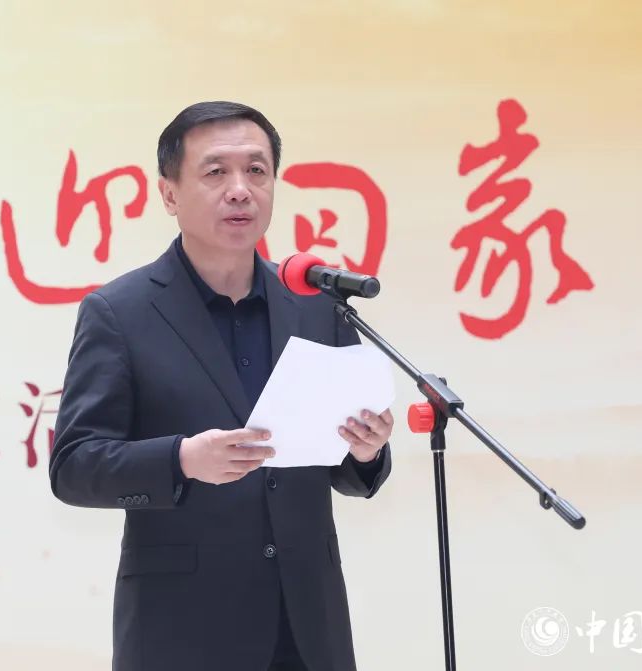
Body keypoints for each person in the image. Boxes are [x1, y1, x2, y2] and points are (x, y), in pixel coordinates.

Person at [50, 101, 394, 671]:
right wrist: (182, 459)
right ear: (169, 194)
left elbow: (346, 471)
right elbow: (74, 467)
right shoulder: (120, 313)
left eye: (257, 171)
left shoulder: (317, 306)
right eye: (216, 172)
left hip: (308, 629)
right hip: (184, 632)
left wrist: (366, 449)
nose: (240, 190)